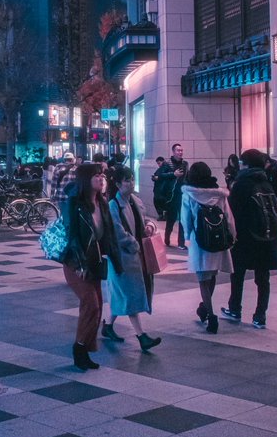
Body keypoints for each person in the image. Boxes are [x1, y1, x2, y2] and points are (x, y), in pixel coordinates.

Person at [62, 162, 123, 371]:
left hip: (94, 261)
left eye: (103, 176)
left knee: (95, 307)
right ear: (86, 180)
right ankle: (79, 348)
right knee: (92, 305)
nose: (102, 179)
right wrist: (80, 264)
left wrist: (117, 263)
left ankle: (85, 350)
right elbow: (72, 237)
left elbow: (110, 236)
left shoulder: (102, 203)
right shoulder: (75, 203)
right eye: (97, 176)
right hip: (75, 262)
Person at [103, 167, 161, 352]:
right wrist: (134, 244)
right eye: (127, 180)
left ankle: (108, 326)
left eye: (132, 179)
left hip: (137, 257)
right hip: (122, 258)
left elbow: (145, 220)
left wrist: (150, 226)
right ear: (118, 184)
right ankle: (141, 336)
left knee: (123, 294)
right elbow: (117, 232)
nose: (131, 183)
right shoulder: (113, 205)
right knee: (128, 295)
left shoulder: (135, 201)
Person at [222, 148, 277, 330]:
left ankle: (235, 308)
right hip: (266, 237)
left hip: (245, 237)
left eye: (241, 162)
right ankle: (260, 315)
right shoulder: (266, 183)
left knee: (237, 274)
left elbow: (232, 212)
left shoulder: (241, 184)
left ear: (246, 165)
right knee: (263, 278)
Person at [181, 162, 235, 334]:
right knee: (212, 276)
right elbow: (228, 217)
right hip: (218, 240)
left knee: (203, 280)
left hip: (200, 241)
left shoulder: (189, 194)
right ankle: (205, 308)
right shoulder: (219, 194)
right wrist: (232, 236)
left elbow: (186, 220)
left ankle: (211, 316)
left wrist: (188, 238)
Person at [156, 144, 188, 248]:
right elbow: (160, 176)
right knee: (171, 218)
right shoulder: (167, 163)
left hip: (182, 194)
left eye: (181, 150)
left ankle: (181, 243)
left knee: (182, 219)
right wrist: (173, 174)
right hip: (170, 196)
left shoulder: (185, 164)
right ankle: (167, 237)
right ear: (173, 152)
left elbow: (187, 177)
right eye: (178, 150)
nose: (180, 152)